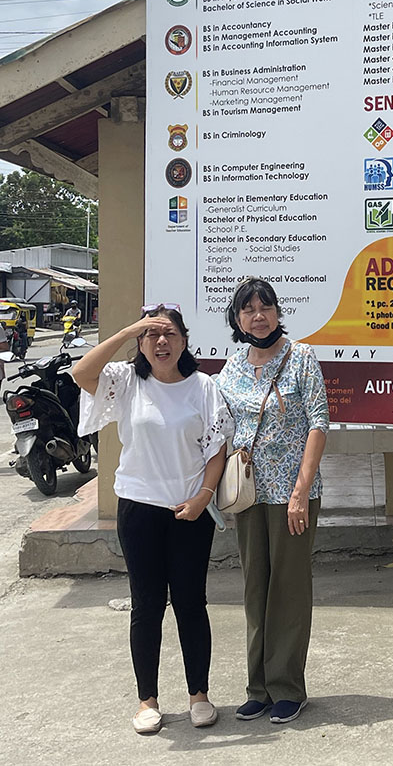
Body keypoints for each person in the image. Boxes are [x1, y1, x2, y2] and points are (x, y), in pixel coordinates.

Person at [73, 304, 232, 735]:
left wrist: (203, 496)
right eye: (152, 335)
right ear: (141, 344)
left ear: (184, 341)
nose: (162, 342)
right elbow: (82, 375)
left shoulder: (203, 387)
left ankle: (199, 695)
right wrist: (128, 329)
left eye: (170, 333)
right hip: (138, 508)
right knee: (146, 605)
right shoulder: (126, 382)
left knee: (190, 603)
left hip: (190, 511)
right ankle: (148, 700)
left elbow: (217, 448)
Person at [216, 277, 329, 725]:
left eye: (265, 307)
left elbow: (319, 424)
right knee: (255, 587)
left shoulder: (300, 357)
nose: (258, 315)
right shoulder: (233, 364)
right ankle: (258, 688)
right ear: (237, 318)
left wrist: (301, 491)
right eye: (248, 309)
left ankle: (287, 687)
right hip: (247, 493)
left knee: (288, 588)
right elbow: (219, 424)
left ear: (279, 312)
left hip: (291, 494)